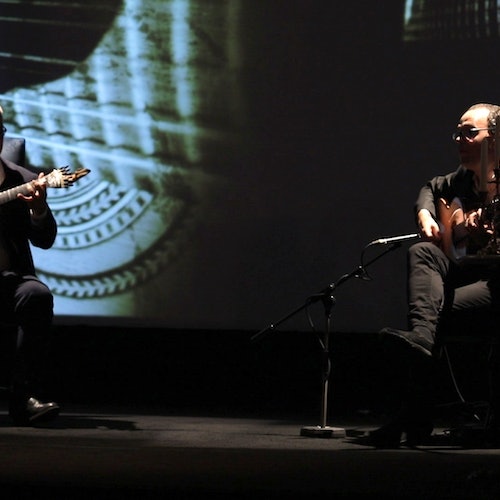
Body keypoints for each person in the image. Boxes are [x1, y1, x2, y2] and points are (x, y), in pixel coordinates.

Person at [368, 102, 500, 447]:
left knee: (432, 318)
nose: (460, 138)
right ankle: (422, 340)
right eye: (457, 131)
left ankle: (411, 417)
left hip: (496, 284)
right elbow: (431, 187)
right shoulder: (463, 180)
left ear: (495, 138)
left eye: (470, 132)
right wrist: (426, 215)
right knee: (423, 251)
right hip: (467, 277)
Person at [0, 105, 59, 425]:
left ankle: (23, 399)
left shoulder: (21, 180)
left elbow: (45, 239)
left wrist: (38, 210)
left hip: (5, 282)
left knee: (36, 295)